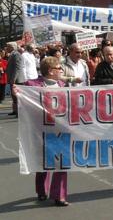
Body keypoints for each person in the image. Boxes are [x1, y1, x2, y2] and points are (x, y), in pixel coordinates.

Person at [24, 57, 69, 206]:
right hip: (41, 130)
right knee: (44, 162)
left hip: (60, 128)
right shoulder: (32, 85)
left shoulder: (63, 84)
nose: (61, 70)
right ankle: (42, 190)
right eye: (59, 68)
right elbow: (22, 95)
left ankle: (59, 195)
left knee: (61, 161)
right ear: (50, 71)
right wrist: (17, 91)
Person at [6, 42, 25, 117]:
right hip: (12, 78)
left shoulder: (16, 54)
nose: (6, 48)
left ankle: (19, 112)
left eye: (8, 47)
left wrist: (13, 78)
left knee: (17, 96)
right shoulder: (12, 54)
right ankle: (15, 110)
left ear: (12, 47)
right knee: (14, 96)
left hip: (17, 79)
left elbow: (17, 68)